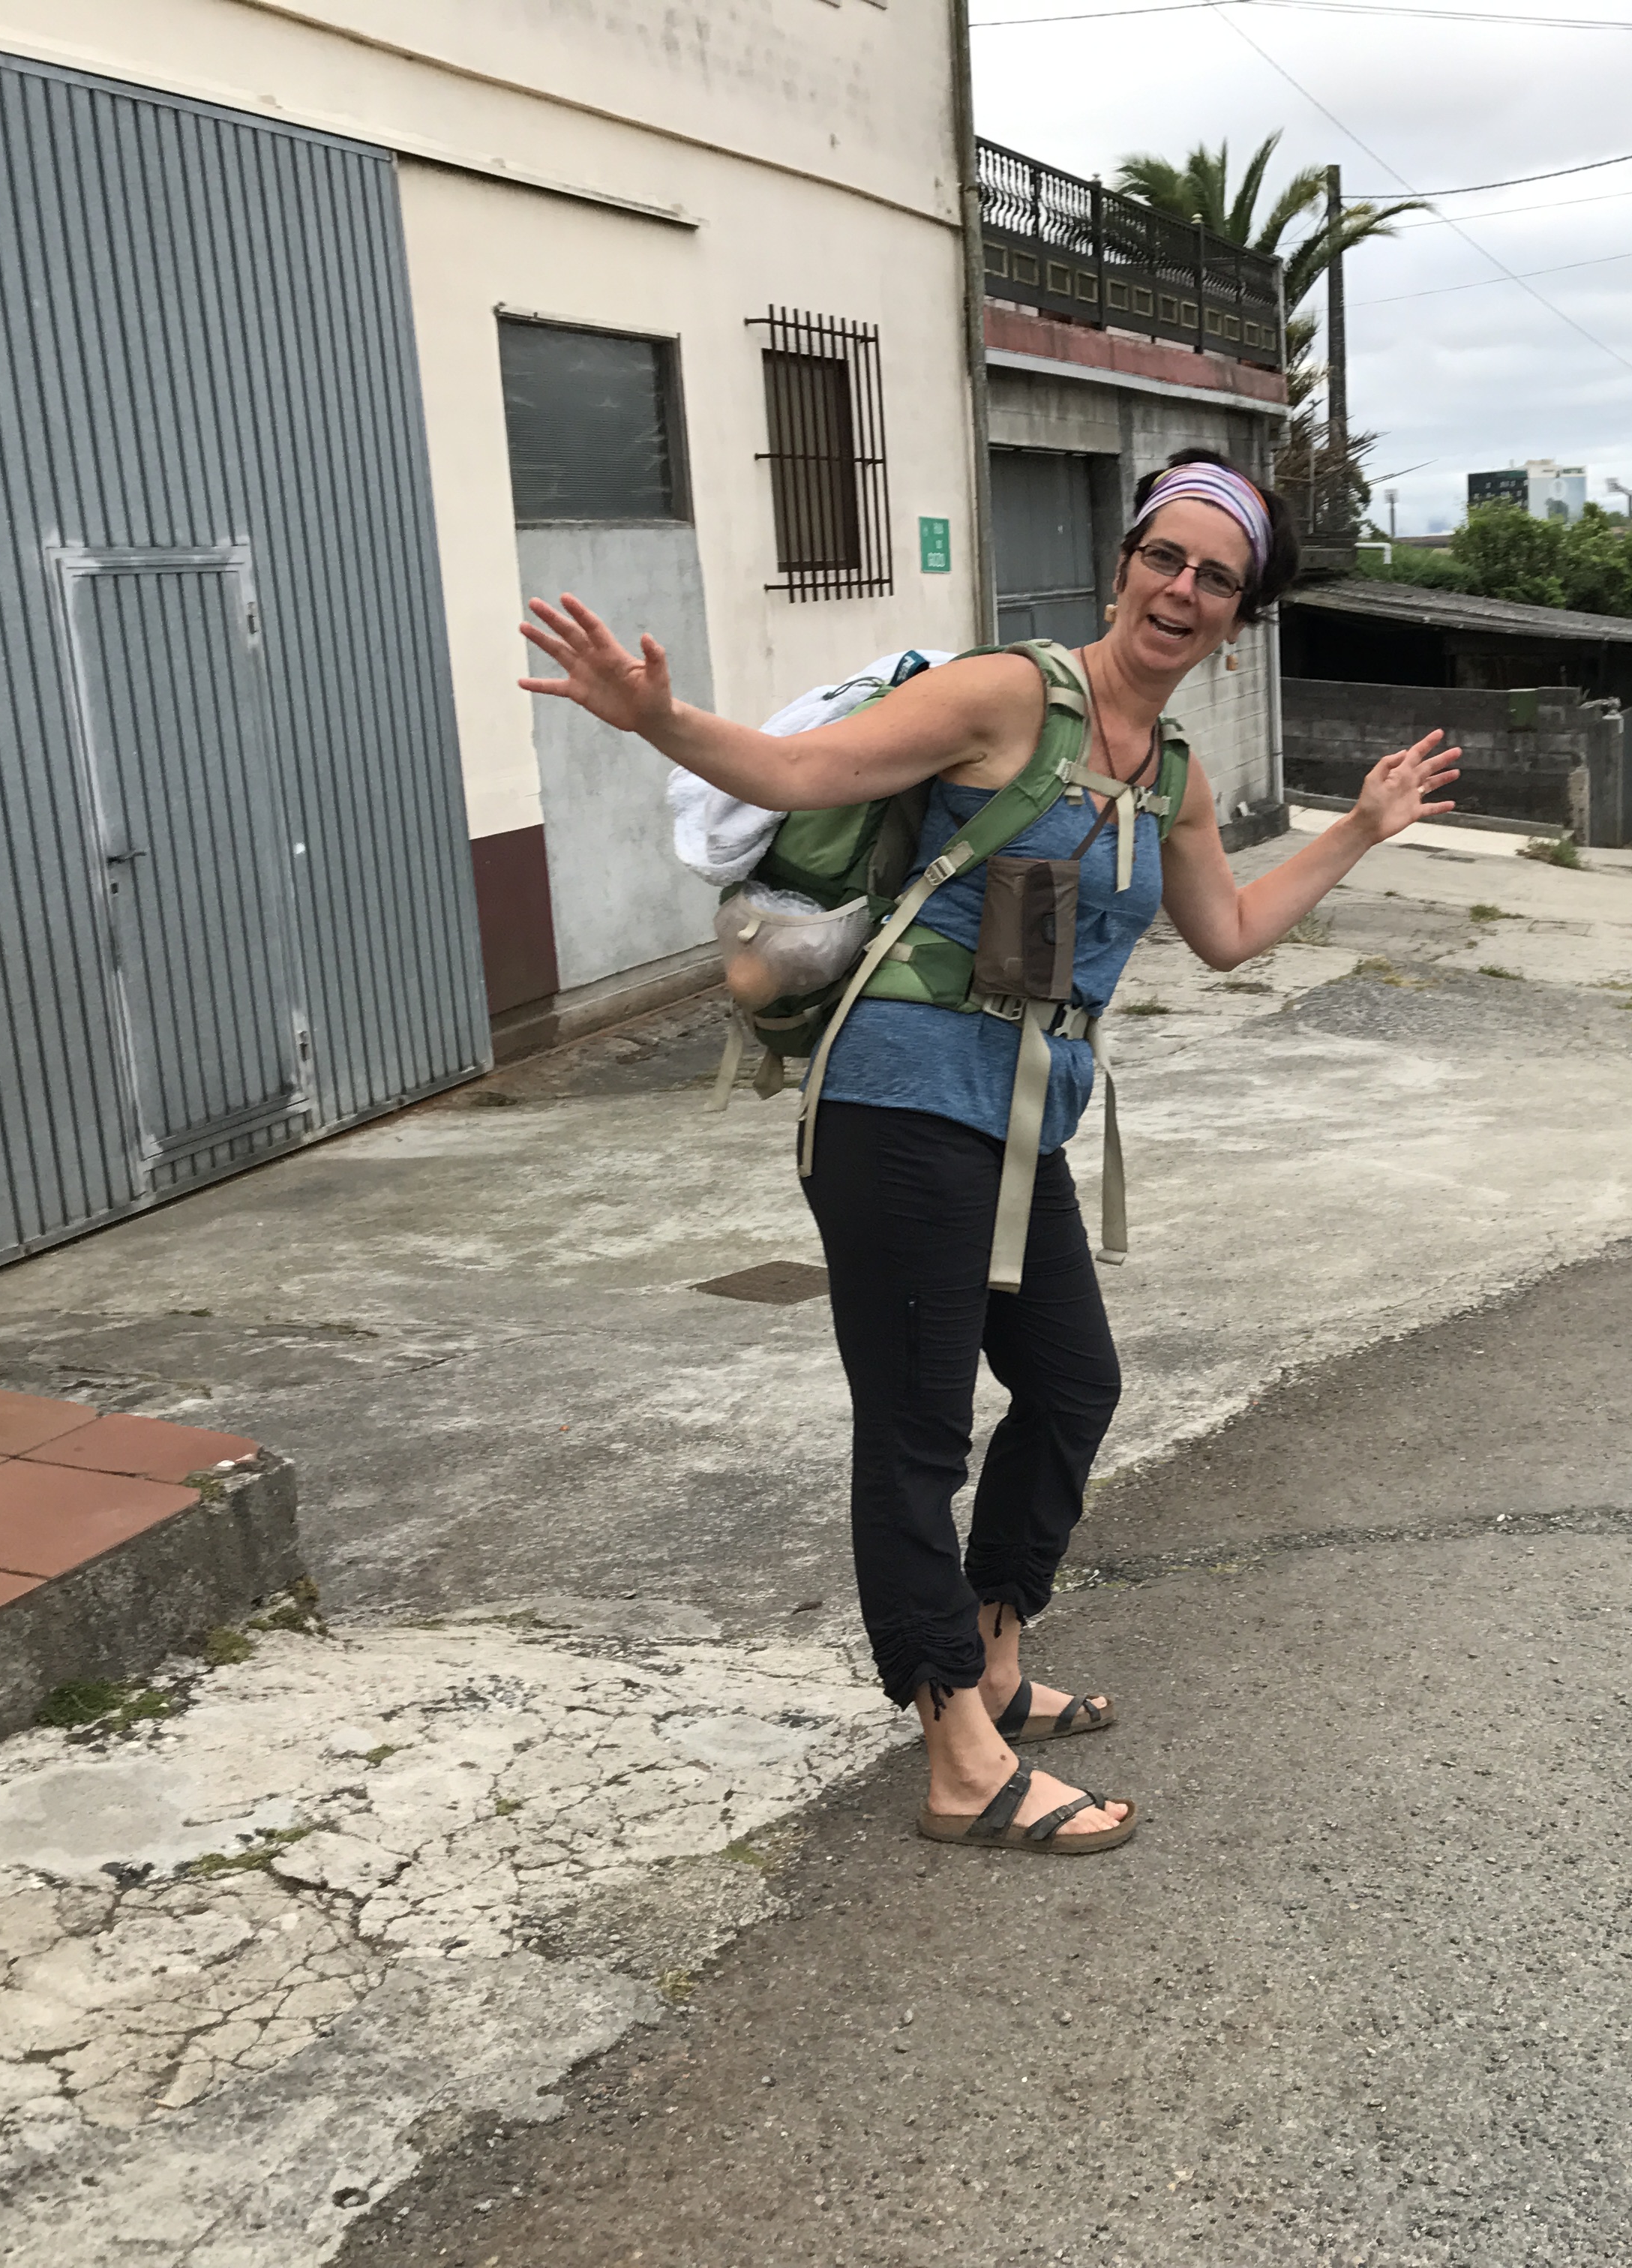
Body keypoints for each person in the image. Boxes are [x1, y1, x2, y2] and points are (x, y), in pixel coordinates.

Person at [519, 450, 1460, 1855]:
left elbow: (1227, 934)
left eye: (1215, 578)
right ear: (1122, 565)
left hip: (1020, 1119)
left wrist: (1360, 832)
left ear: (1238, 616)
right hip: (900, 1101)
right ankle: (958, 1753)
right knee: (915, 1429)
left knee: (1074, 1383)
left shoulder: (1176, 775)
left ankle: (997, 1654)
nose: (1182, 589)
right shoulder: (1009, 695)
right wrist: (659, 717)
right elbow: (800, 770)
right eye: (1165, 557)